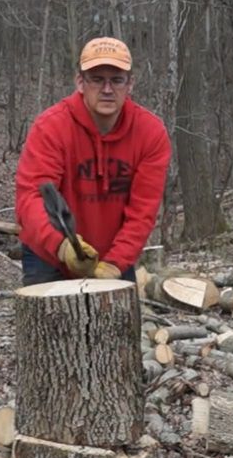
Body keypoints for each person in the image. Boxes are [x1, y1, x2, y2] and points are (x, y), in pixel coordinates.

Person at [15, 36, 171, 286]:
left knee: (117, 323)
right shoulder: (51, 127)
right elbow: (31, 199)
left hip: (114, 254)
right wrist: (63, 247)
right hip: (50, 254)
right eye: (97, 80)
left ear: (130, 84)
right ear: (80, 82)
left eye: (116, 80)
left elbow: (142, 212)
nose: (107, 89)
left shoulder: (150, 133)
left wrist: (115, 263)